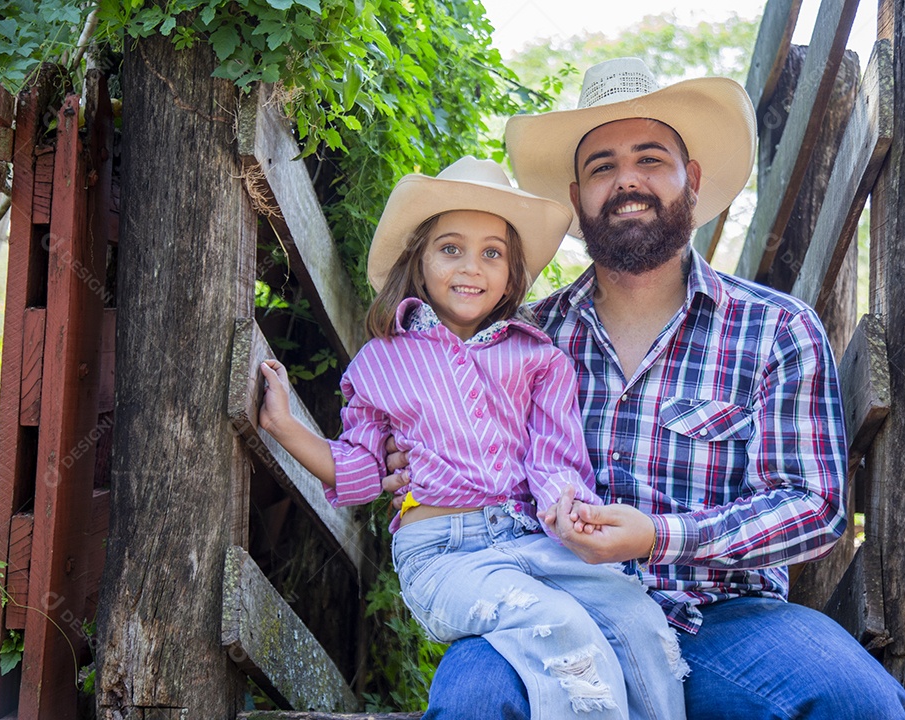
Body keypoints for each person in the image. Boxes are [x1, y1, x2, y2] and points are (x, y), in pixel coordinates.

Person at [383, 59, 905, 719]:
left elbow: (814, 505)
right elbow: (456, 453)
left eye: (650, 159)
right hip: (552, 608)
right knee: (476, 701)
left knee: (857, 702)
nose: (626, 180)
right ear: (577, 197)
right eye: (602, 166)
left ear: (692, 179)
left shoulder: (775, 330)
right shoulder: (519, 340)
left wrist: (660, 536)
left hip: (725, 618)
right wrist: (415, 463)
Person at [258, 156, 688, 719]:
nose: (471, 267)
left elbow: (553, 461)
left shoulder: (537, 358)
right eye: (450, 248)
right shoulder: (380, 362)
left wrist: (566, 507)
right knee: (559, 626)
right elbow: (362, 471)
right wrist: (284, 426)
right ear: (420, 261)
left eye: (492, 253)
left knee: (636, 619)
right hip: (442, 553)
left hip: (532, 538)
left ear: (512, 274)